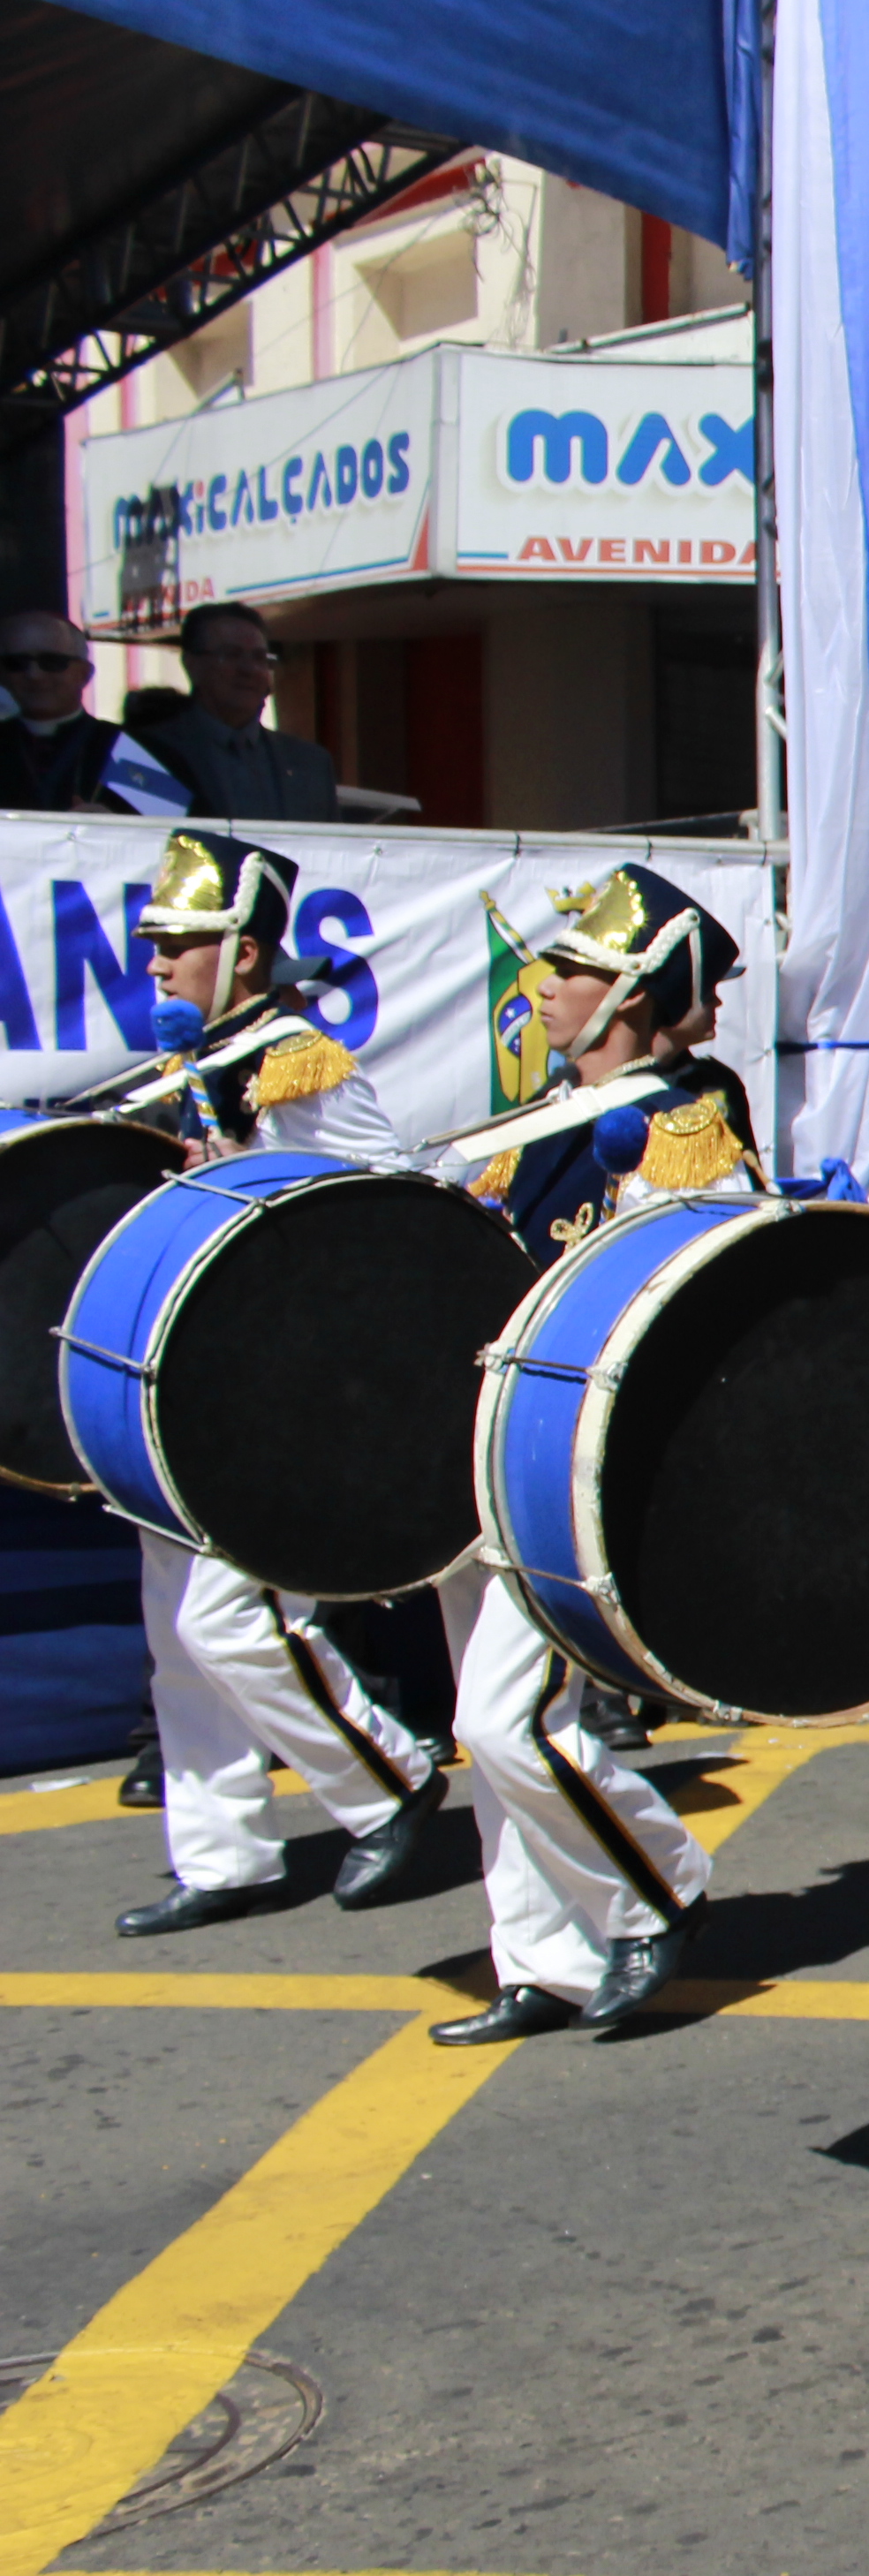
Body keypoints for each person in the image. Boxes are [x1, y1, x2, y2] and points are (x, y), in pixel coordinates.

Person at [421, 868, 761, 2039]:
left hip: (570, 1472)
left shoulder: (686, 1117)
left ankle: (658, 1890)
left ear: (625, 993)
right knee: (500, 1722)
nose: (545, 985)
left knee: (508, 1721)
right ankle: (541, 1957)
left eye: (568, 971)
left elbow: (704, 1289)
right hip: (487, 1448)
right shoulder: (540, 1117)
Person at [108, 829, 450, 1936]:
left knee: (234, 1621)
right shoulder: (192, 1059)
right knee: (178, 1633)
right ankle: (223, 1854)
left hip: (281, 1387)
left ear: (246, 956)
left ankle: (386, 1780)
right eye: (152, 944)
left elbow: (379, 1206)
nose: (156, 963)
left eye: (181, 944)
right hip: (188, 1374)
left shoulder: (297, 1056)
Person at [147, 603, 341, 824]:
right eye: (231, 655)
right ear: (192, 664)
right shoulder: (152, 755)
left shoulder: (310, 763)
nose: (249, 670)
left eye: (259, 658)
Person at [0, 609, 186, 814]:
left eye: (52, 662)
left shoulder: (135, 749)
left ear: (86, 673)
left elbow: (177, 830)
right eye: (17, 664)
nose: (34, 675)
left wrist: (116, 827)